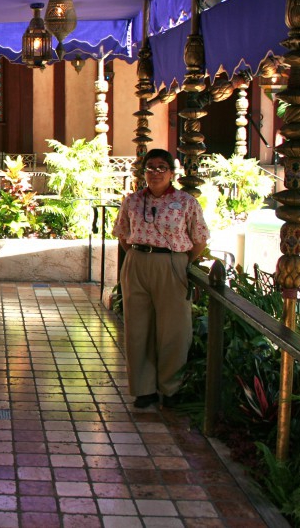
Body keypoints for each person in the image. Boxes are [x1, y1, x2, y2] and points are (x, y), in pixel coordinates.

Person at [111, 148, 209, 409]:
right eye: (150, 167)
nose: (155, 173)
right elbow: (122, 233)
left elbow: (199, 239)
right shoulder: (132, 201)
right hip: (137, 262)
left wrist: (181, 262)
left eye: (161, 168)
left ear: (171, 173)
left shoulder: (186, 202)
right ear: (144, 172)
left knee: (174, 329)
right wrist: (137, 256)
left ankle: (171, 387)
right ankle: (143, 390)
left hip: (172, 263)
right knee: (137, 328)